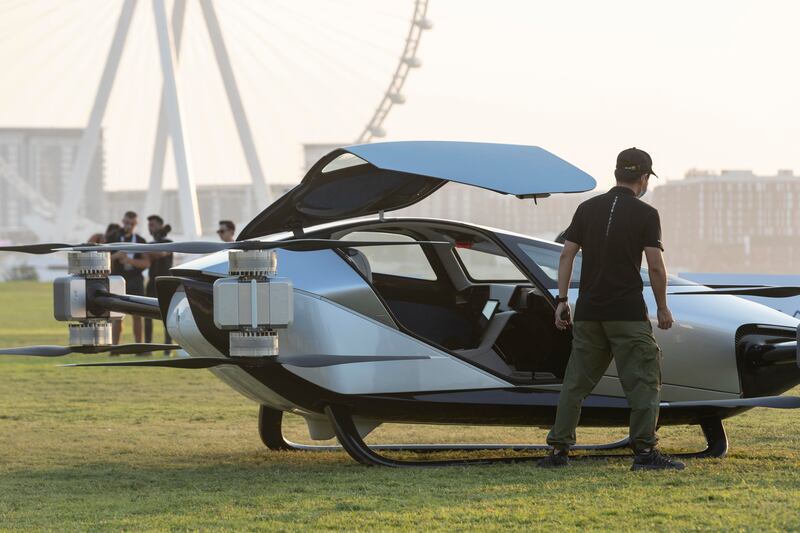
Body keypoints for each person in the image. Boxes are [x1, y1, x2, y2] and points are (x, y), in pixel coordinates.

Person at [538, 148, 683, 471]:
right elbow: (656, 267)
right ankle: (645, 453)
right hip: (627, 313)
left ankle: (558, 451)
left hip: (589, 311)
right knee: (643, 382)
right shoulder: (647, 214)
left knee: (576, 383)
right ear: (643, 178)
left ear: (617, 173)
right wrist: (662, 307)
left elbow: (567, 255)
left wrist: (562, 300)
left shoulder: (587, 208)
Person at [110, 211, 149, 346]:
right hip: (117, 279)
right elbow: (102, 259)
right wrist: (116, 256)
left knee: (138, 315)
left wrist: (129, 260)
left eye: (131, 224)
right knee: (117, 315)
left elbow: (146, 263)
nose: (128, 226)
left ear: (136, 224)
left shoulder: (140, 241)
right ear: (122, 221)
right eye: (126, 223)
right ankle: (115, 348)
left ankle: (139, 346)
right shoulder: (113, 237)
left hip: (135, 279)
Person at [143, 215, 173, 354]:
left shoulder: (169, 242)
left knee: (167, 318)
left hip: (165, 283)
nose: (150, 227)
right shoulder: (151, 243)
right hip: (152, 282)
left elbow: (160, 253)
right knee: (148, 316)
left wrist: (148, 248)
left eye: (153, 225)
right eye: (149, 225)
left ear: (161, 226)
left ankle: (168, 348)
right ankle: (148, 348)